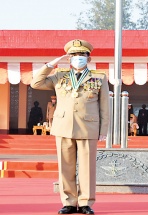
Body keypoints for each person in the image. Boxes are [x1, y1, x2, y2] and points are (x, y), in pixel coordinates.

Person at [30, 39, 109, 214]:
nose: (78, 58)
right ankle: (69, 201)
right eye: (73, 55)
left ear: (89, 58)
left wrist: (103, 130)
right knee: (65, 166)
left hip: (88, 127)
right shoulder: (59, 75)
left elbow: (104, 106)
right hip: (63, 126)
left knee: (87, 168)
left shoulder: (99, 77)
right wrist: (51, 64)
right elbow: (35, 83)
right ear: (68, 58)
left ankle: (85, 202)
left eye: (82, 55)